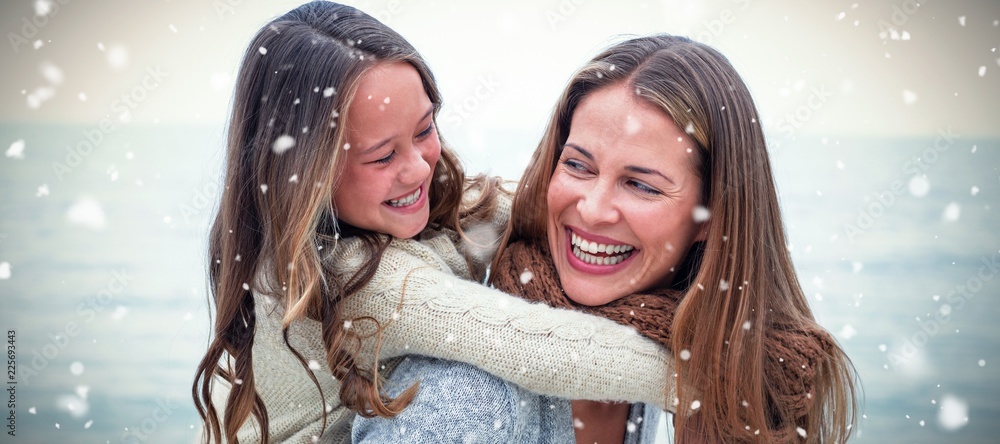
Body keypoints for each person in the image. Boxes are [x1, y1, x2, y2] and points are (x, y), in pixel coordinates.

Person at [191, 3, 678, 443]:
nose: (421, 168)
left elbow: (533, 205)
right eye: (382, 157)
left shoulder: (412, 209)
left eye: (425, 129)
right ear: (307, 177)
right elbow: (532, 344)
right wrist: (708, 380)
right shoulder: (349, 277)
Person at [354, 34, 859, 443]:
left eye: (640, 184)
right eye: (577, 165)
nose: (592, 210)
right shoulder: (466, 404)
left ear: (713, 214)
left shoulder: (660, 336)